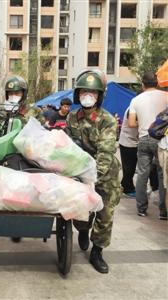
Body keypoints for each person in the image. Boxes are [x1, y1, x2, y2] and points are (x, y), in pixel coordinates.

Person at [66, 69, 121, 274]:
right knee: (81, 212)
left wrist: (93, 177)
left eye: (93, 92)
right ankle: (82, 230)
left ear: (99, 96)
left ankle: (97, 251)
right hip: (80, 171)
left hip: (105, 175)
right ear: (77, 94)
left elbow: (105, 152)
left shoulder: (107, 120)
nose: (87, 96)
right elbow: (69, 146)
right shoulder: (73, 117)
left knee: (104, 215)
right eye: (83, 92)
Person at [128, 72, 168, 220]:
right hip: (162, 140)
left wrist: (145, 124)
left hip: (144, 138)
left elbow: (131, 123)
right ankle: (163, 211)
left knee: (142, 174)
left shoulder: (135, 100)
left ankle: (142, 209)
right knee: (163, 174)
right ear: (157, 82)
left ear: (143, 84)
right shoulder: (166, 96)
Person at [119, 108, 159, 198]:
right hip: (128, 142)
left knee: (149, 167)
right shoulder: (133, 109)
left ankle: (154, 187)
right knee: (129, 168)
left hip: (137, 141)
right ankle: (127, 188)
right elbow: (133, 123)